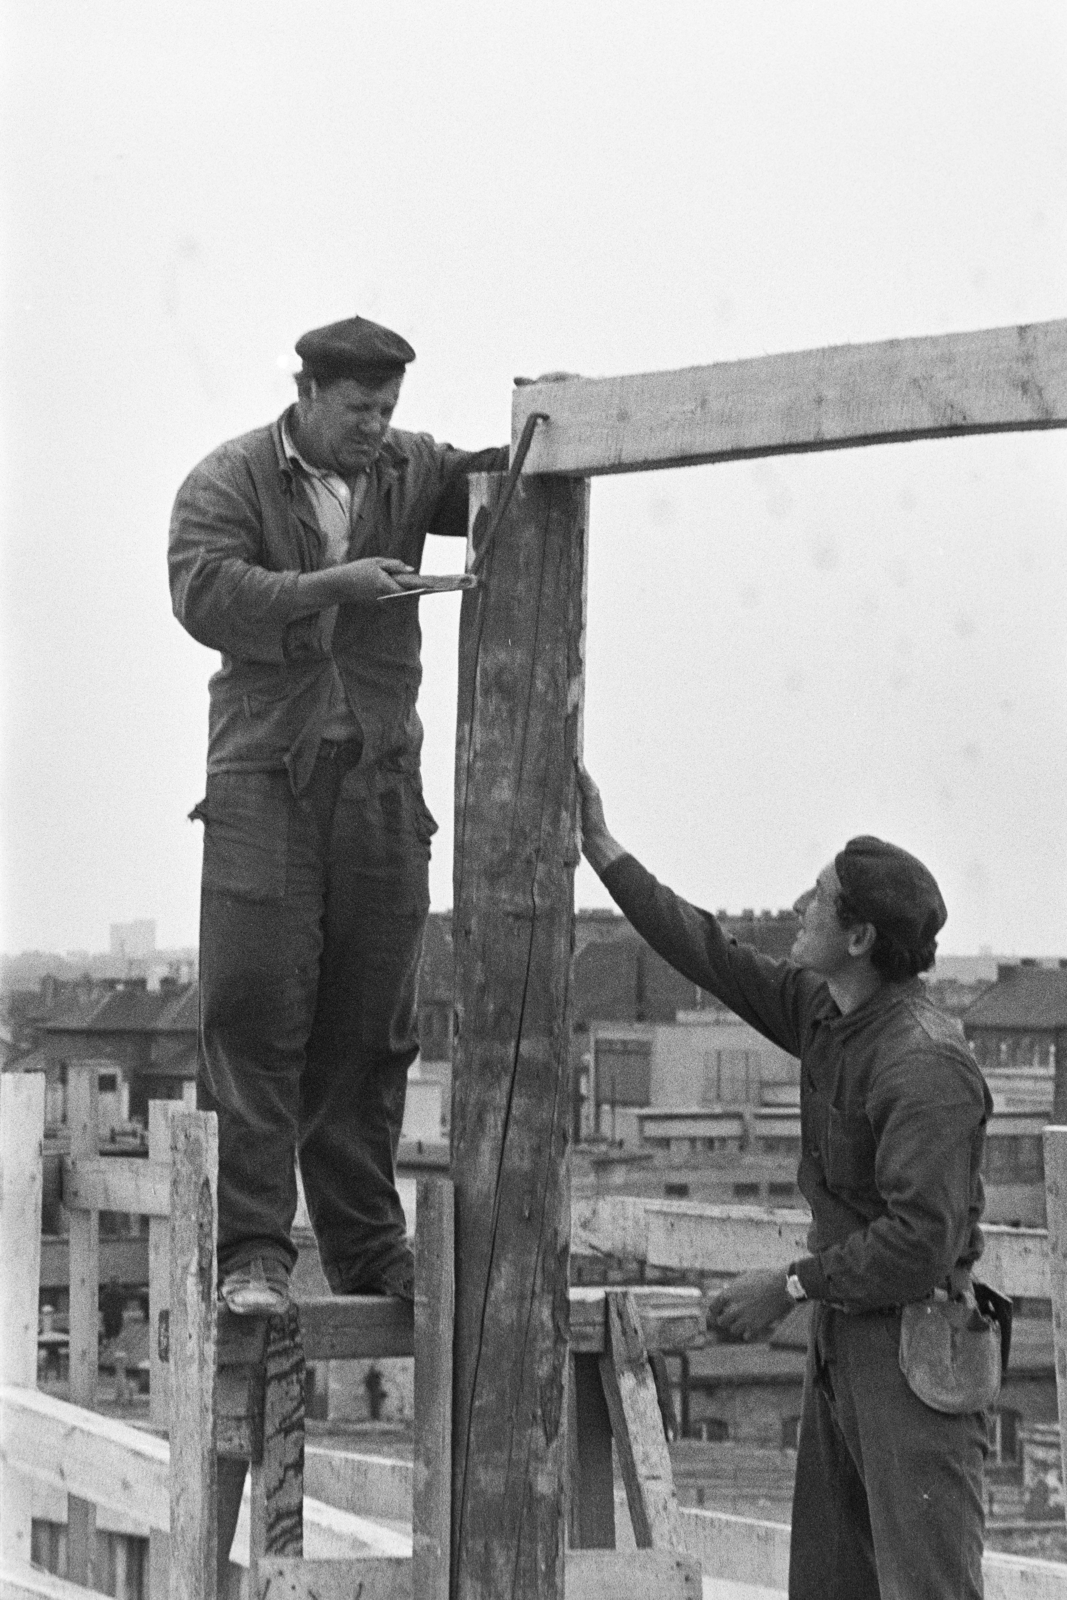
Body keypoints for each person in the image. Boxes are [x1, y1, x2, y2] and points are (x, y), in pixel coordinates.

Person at [576, 765, 994, 1600]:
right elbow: (708, 952)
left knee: (926, 1586)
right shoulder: (827, 1013)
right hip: (847, 1336)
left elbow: (919, 1243)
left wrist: (788, 1284)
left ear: (860, 938)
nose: (801, 907)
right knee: (832, 1583)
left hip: (915, 1347)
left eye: (818, 897)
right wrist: (601, 846)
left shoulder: (923, 1063)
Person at [169, 315, 507, 1316]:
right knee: (256, 1018)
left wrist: (555, 422)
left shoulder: (406, 469)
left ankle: (367, 1254)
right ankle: (254, 1259)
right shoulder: (227, 479)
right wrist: (333, 585)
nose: (375, 426)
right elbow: (203, 591)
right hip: (263, 784)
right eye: (358, 407)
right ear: (307, 392)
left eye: (388, 408)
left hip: (379, 786)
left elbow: (493, 478)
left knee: (372, 1029)